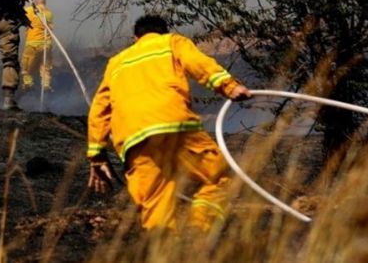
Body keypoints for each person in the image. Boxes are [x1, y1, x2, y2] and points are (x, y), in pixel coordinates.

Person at [86, 14, 251, 232]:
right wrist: (230, 87)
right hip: (175, 125)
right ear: (162, 32)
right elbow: (199, 64)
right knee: (219, 178)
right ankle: (200, 228)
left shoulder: (115, 63)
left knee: (155, 202)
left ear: (135, 38)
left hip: (133, 138)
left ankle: (163, 245)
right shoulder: (172, 42)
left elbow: (99, 108)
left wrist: (96, 156)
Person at [21, 0, 54, 91]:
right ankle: (46, 84)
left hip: (32, 43)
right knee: (45, 66)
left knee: (26, 65)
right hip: (46, 44)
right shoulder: (49, 13)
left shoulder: (29, 10)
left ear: (35, 2)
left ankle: (27, 83)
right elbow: (50, 27)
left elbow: (21, 17)